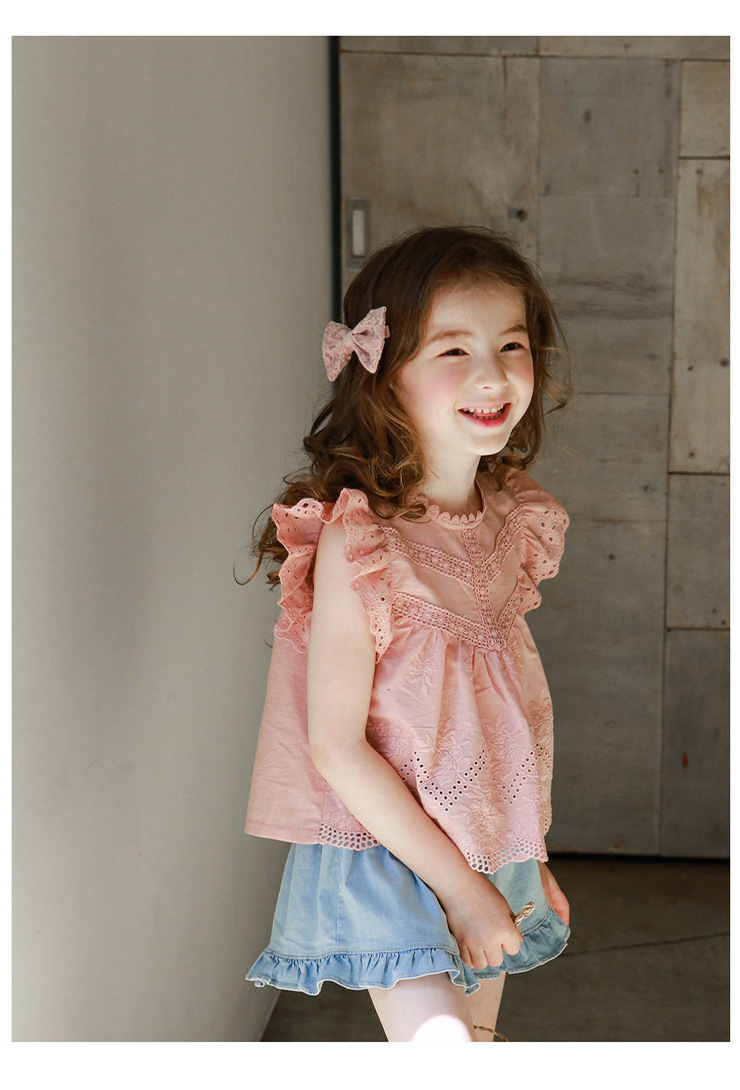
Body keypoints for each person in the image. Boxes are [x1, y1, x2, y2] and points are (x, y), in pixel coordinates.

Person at [239, 226, 573, 1043]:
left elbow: (503, 725)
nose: (493, 373)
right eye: (453, 350)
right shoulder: (363, 543)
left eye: (512, 345)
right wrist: (460, 890)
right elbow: (335, 746)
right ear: (384, 373)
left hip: (491, 843)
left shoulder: (511, 518)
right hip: (386, 854)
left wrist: (527, 858)